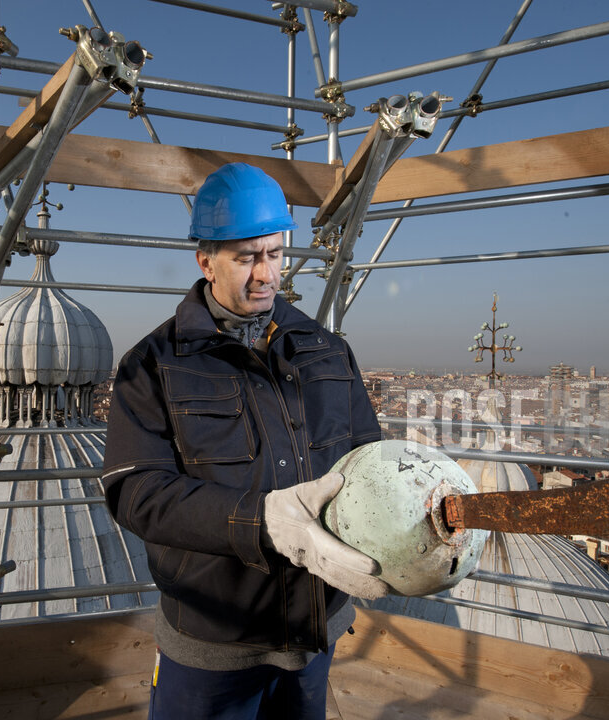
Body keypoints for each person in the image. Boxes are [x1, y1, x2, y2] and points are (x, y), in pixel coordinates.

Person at [102, 162, 387, 720]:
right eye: (246, 257)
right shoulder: (152, 365)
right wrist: (262, 521)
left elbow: (366, 463)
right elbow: (137, 493)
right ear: (206, 261)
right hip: (214, 640)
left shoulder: (328, 352)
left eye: (275, 254)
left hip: (314, 628)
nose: (266, 274)